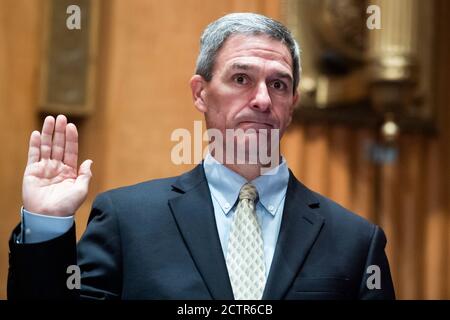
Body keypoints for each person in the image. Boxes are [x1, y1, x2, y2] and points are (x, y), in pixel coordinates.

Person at [8, 13, 395, 300]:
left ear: (292, 105)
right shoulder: (127, 222)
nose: (262, 99)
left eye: (278, 84)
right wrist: (47, 226)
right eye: (241, 79)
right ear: (200, 93)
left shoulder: (356, 243)